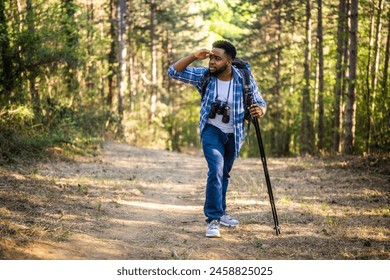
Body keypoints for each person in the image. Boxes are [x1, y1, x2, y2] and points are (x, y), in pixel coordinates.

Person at [167, 40, 267, 238]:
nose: (211, 61)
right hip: (211, 130)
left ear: (228, 62)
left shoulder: (243, 78)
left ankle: (221, 213)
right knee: (216, 170)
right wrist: (194, 56)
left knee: (224, 174)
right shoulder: (204, 76)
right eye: (211, 56)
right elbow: (173, 72)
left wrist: (260, 110)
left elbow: (259, 102)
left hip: (235, 133)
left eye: (217, 58)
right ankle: (213, 219)